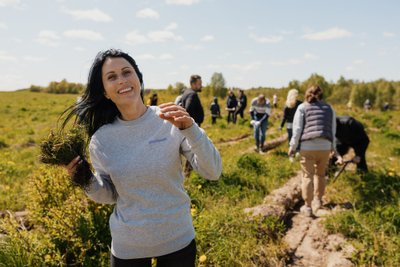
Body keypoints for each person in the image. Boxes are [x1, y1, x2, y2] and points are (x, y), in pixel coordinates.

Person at [64, 49, 222, 266]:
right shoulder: (101, 139)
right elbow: (110, 194)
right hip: (129, 248)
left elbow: (212, 171)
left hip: (178, 241)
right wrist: (85, 179)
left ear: (138, 78)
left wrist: (191, 129)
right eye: (112, 77)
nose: (122, 80)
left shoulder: (171, 119)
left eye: (127, 72)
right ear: (105, 92)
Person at [288, 85, 340, 217]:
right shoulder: (330, 108)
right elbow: (333, 131)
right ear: (321, 95)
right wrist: (334, 148)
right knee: (321, 175)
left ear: (307, 94)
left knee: (307, 176)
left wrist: (292, 147)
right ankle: (318, 200)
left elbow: (297, 129)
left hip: (308, 147)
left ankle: (308, 207)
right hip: (325, 147)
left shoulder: (302, 107)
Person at [279, 89, 302, 156]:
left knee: (291, 139)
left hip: (290, 125)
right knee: (298, 138)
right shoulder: (300, 103)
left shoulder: (287, 104)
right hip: (299, 124)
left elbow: (284, 117)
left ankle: (291, 155)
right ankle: (298, 152)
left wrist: (281, 125)